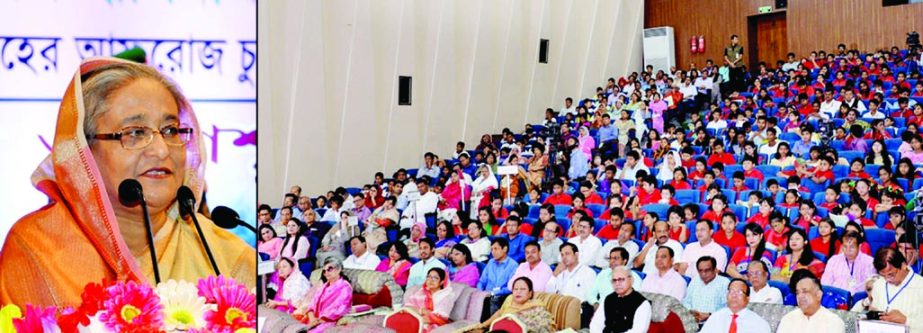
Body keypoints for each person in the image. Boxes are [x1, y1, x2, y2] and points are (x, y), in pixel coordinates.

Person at [0, 58, 255, 307]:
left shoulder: (225, 256)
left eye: (170, 130)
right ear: (85, 152)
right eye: (134, 132)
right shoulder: (35, 249)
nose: (161, 150)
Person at [866, 248, 923, 331]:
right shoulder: (879, 284)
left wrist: (905, 320)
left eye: (891, 275)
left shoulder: (920, 286)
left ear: (903, 266)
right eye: (883, 276)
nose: (887, 280)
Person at [469, 277, 554, 332]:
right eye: (515, 289)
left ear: (530, 293)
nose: (518, 291)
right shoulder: (509, 299)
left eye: (523, 289)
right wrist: (483, 325)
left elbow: (543, 326)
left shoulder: (536, 306)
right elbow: (499, 313)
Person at [294, 257, 353, 332]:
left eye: (330, 269)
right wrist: (312, 319)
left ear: (339, 269)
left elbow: (339, 309)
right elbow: (312, 304)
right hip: (313, 320)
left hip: (329, 322)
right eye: (324, 271)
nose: (326, 273)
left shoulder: (345, 287)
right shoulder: (324, 286)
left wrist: (317, 321)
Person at [588, 266, 652, 333]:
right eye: (614, 280)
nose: (617, 283)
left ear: (631, 280)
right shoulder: (608, 299)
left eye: (621, 279)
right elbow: (596, 324)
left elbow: (638, 331)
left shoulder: (642, 304)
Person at [776, 273, 845, 333]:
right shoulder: (788, 318)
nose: (800, 296)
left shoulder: (833, 322)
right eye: (797, 293)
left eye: (805, 292)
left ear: (818, 295)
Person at [699, 279, 771, 333]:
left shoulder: (759, 324)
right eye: (731, 291)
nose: (734, 295)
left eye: (739, 292)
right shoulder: (716, 317)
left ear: (748, 298)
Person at [400, 267, 454, 332]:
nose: (431, 280)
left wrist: (419, 313)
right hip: (417, 320)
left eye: (435, 278)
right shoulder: (422, 291)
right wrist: (424, 311)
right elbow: (408, 308)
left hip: (435, 326)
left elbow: (440, 318)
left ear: (442, 282)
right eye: (429, 277)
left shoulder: (446, 296)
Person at [684, 256, 731, 323]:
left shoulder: (724, 283)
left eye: (707, 270)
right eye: (700, 271)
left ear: (715, 269)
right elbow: (686, 301)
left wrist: (709, 315)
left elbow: (727, 308)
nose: (703, 274)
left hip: (715, 323)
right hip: (693, 322)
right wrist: (691, 312)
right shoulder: (695, 280)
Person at [478, 238, 519, 312]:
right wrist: (480, 291)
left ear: (505, 249)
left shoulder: (513, 265)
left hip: (500, 296)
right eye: (492, 249)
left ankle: (491, 323)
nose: (493, 252)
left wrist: (493, 293)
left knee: (494, 299)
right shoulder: (491, 262)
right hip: (485, 294)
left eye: (496, 249)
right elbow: (482, 281)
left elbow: (510, 288)